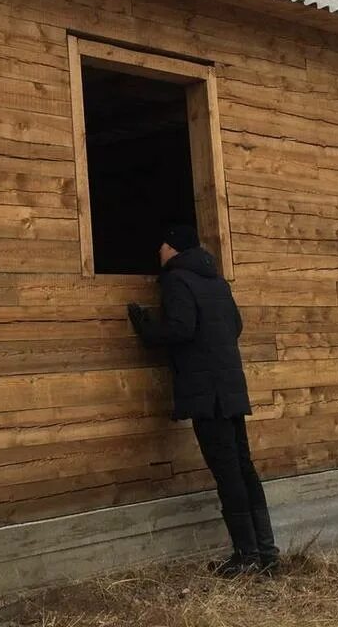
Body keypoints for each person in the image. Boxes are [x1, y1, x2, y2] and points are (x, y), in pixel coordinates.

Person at [127, 224, 279, 576]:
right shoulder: (217, 281)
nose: (159, 253)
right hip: (229, 386)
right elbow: (235, 325)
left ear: (174, 248)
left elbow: (181, 327)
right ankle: (266, 553)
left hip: (206, 393)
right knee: (243, 467)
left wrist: (146, 327)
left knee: (227, 472)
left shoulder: (177, 280)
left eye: (162, 246)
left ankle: (246, 557)